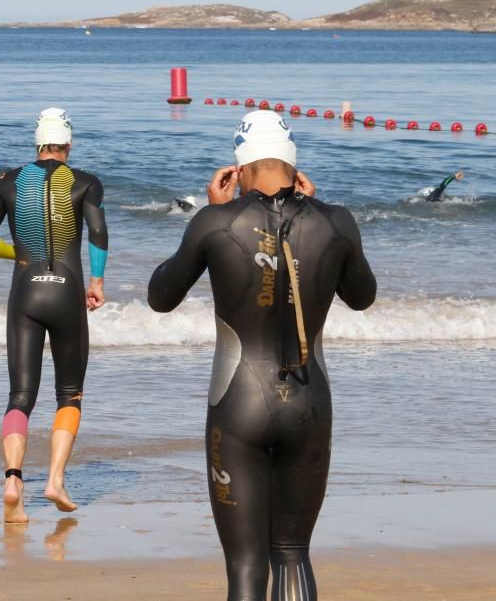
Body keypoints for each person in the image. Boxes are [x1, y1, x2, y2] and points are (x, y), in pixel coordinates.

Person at [146, 110, 376, 600]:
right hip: (310, 405)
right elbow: (363, 295)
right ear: (294, 167)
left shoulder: (216, 221)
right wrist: (323, 220)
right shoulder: (336, 222)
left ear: (241, 168)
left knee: (247, 567)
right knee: (292, 554)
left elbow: (160, 295)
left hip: (238, 407)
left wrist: (209, 214)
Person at [0, 108, 109, 524]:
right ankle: (54, 480)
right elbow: (99, 234)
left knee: (20, 395)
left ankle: (13, 480)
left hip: (26, 293)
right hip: (67, 292)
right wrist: (97, 283)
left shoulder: (9, 181)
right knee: (69, 394)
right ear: (69, 144)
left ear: (37, 143)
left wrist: (22, 256)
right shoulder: (86, 183)